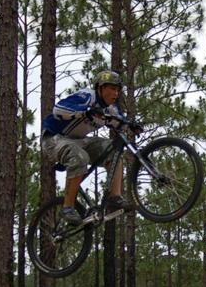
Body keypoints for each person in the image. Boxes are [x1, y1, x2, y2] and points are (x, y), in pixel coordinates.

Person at [41, 70, 137, 225]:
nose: (115, 93)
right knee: (80, 158)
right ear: (100, 88)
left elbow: (120, 121)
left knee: (114, 150)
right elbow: (58, 110)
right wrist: (84, 112)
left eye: (117, 90)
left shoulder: (109, 109)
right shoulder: (87, 96)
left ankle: (115, 197)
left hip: (79, 140)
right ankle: (67, 207)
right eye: (112, 88)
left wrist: (132, 125)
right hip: (54, 139)